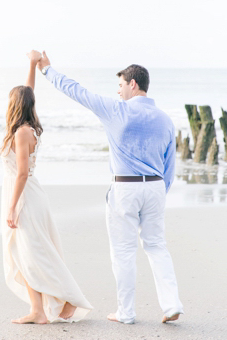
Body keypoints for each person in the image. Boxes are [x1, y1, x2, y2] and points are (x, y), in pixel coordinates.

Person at [36, 51, 184, 325]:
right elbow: (169, 166)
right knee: (157, 247)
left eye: (120, 85)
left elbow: (77, 92)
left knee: (124, 252)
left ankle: (126, 313)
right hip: (155, 188)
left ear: (133, 84)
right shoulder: (165, 119)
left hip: (125, 189)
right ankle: (172, 304)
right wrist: (159, 193)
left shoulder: (117, 110)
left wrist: (47, 70)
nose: (118, 91)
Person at [0, 50, 92, 324]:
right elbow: (28, 91)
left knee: (34, 254)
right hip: (25, 195)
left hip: (24, 197)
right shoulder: (25, 127)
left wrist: (13, 206)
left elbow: (23, 173)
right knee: (24, 253)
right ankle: (38, 311)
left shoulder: (21, 133)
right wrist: (31, 64)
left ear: (13, 105)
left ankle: (70, 300)